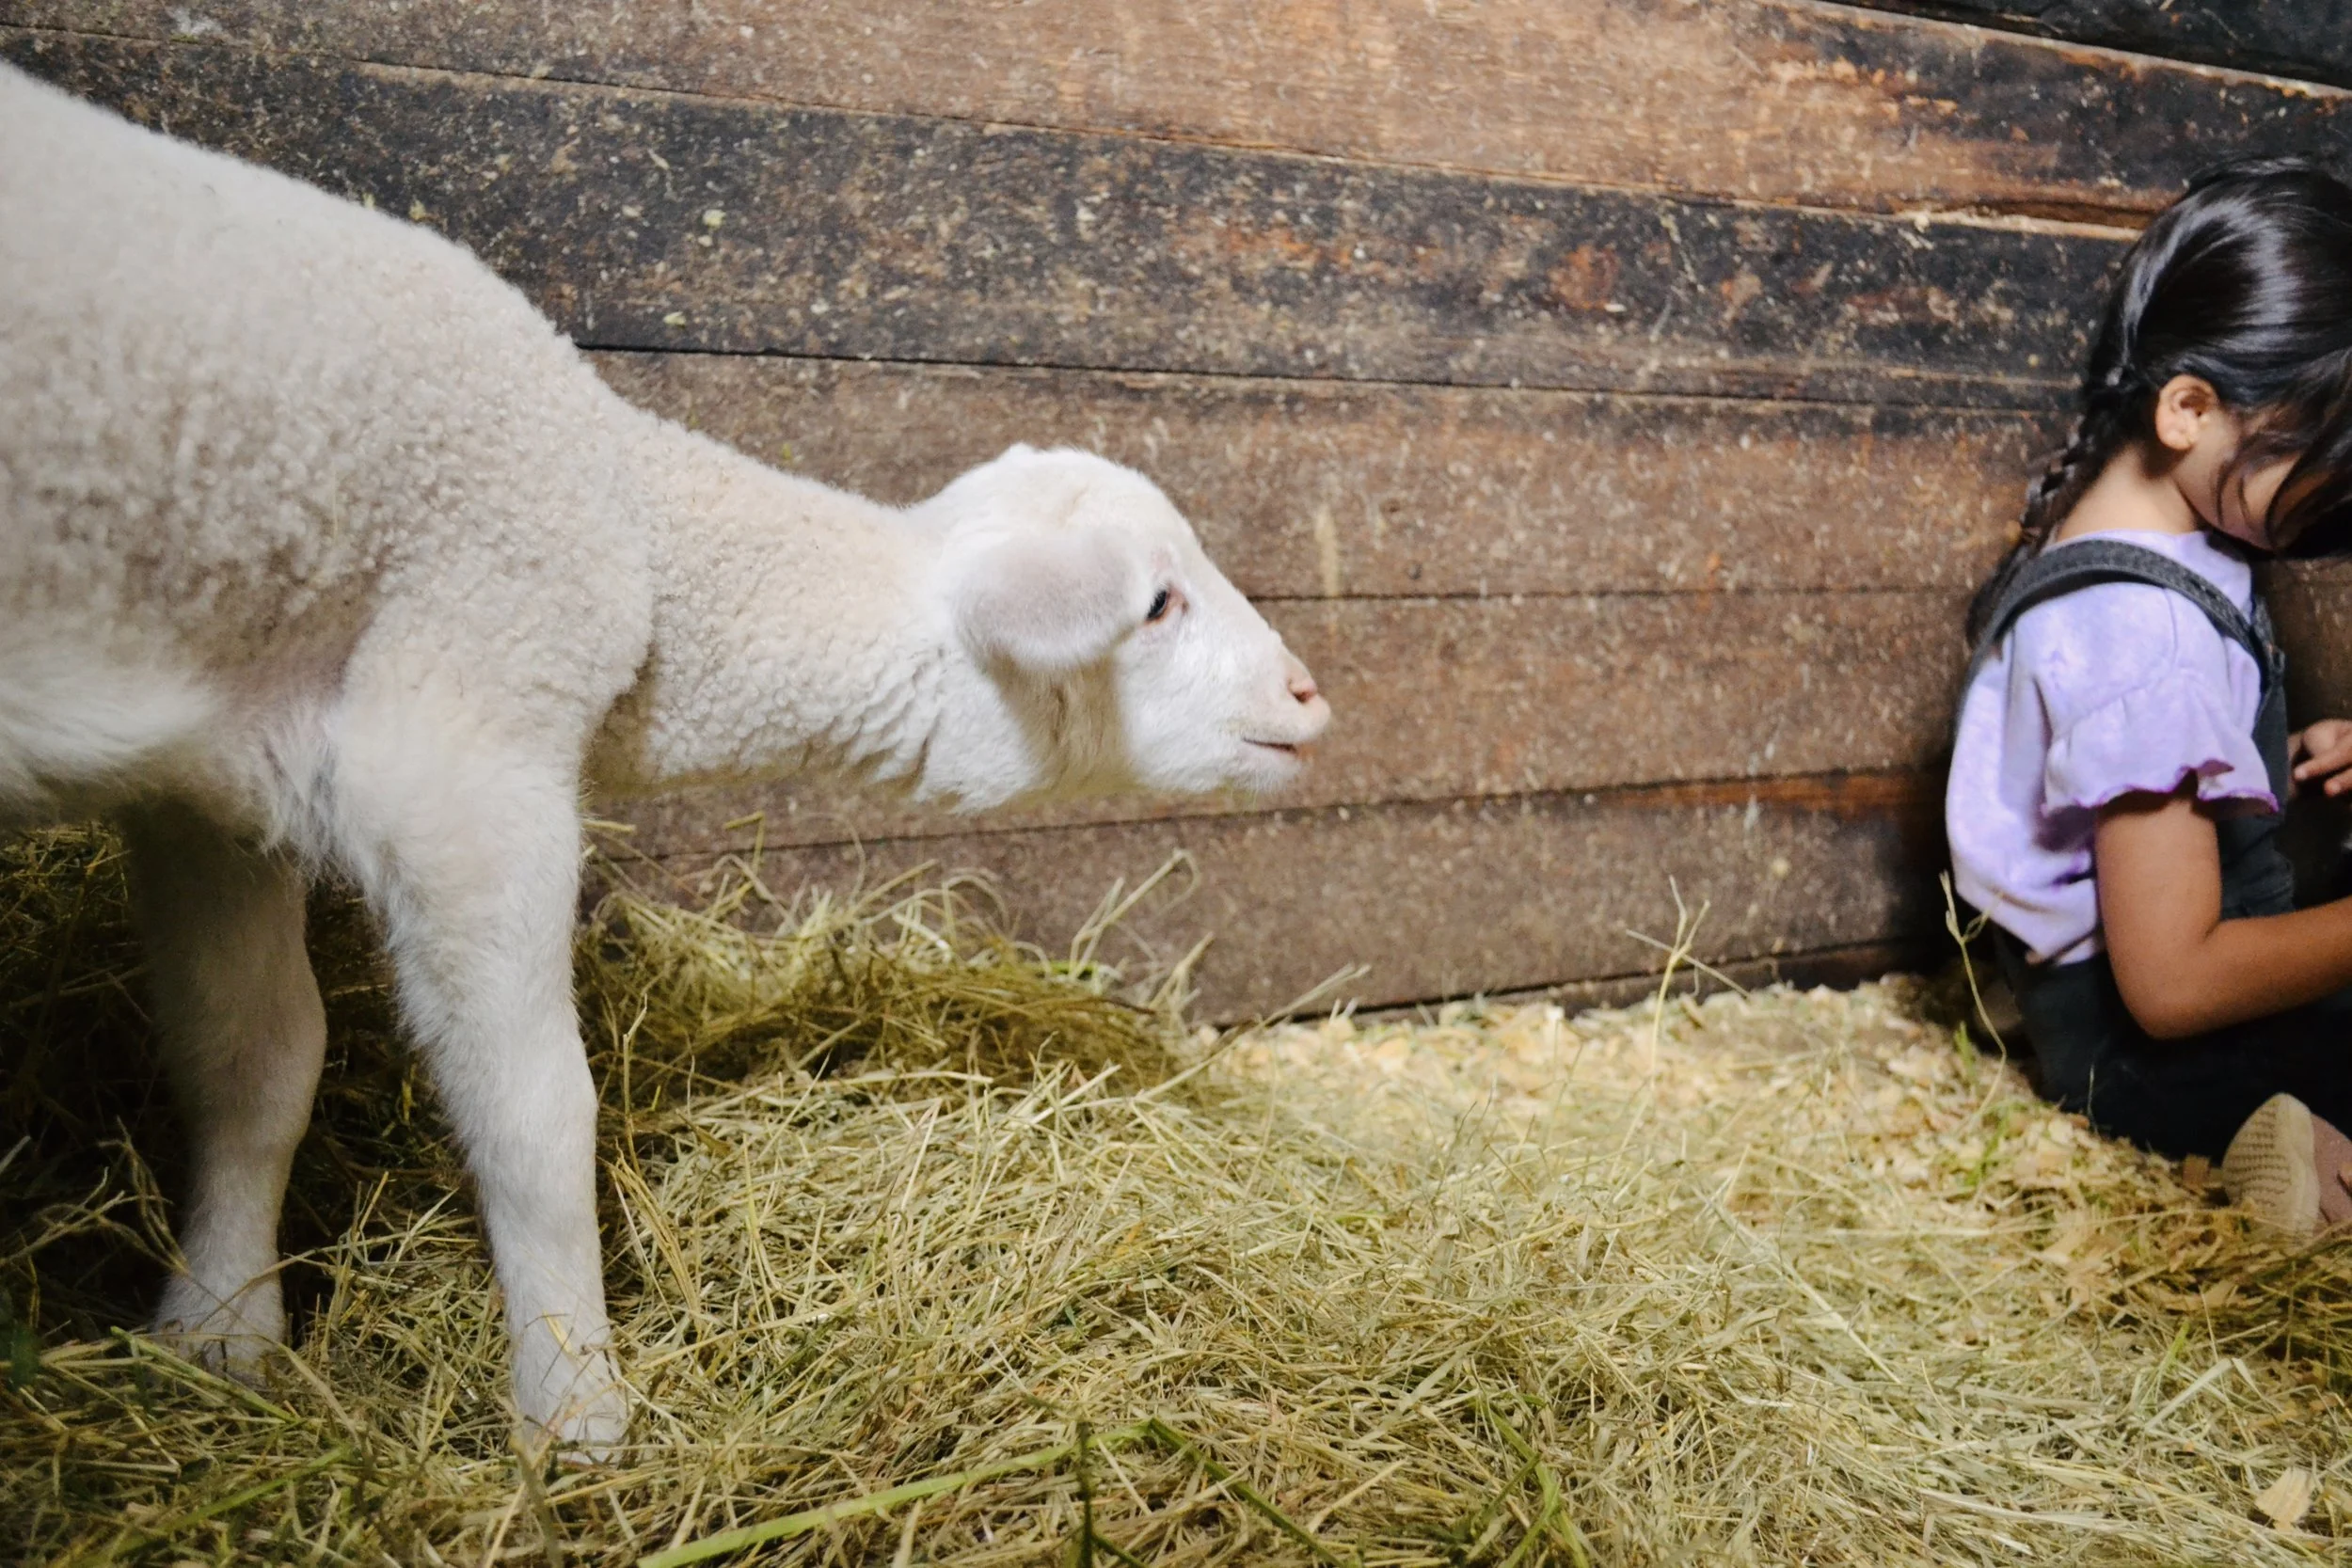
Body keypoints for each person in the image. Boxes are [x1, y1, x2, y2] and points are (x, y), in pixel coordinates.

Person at [1947, 157, 2352, 1237]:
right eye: (2330, 459)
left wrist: (2289, 746)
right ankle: (2262, 1143)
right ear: (2189, 409)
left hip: (2126, 1002)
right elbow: (2171, 983)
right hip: (2143, 1045)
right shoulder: (2144, 634)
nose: (2338, 498)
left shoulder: (2146, 543)